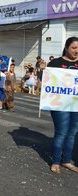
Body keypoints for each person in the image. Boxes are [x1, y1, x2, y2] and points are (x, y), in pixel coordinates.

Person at [47, 37, 78, 174]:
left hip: (76, 105)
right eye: (74, 48)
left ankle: (66, 160)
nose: (76, 51)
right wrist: (44, 71)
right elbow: (47, 82)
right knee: (61, 132)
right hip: (59, 104)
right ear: (66, 48)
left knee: (72, 134)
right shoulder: (55, 63)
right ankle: (55, 161)